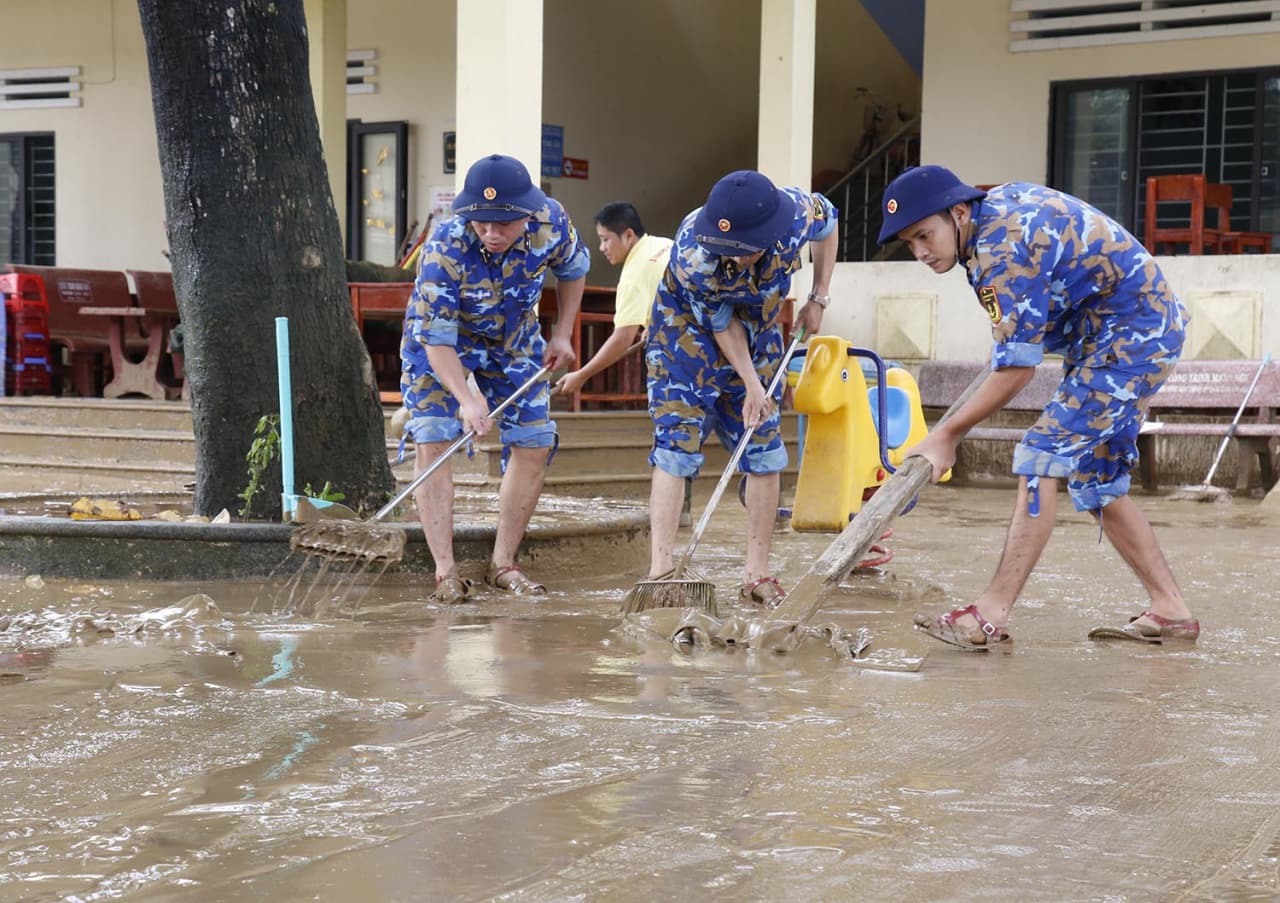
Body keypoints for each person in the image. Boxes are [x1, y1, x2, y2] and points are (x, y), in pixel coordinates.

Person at [879, 165, 1198, 650]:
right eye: (910, 243)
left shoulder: (1000, 247)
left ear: (958, 212)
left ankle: (989, 613)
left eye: (925, 235)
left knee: (1040, 455)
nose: (921, 252)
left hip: (1131, 338)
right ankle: (1171, 610)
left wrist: (946, 435)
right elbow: (1016, 334)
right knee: (1097, 482)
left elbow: (1017, 370)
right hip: (1114, 336)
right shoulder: (991, 220)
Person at [400, 153, 589, 603]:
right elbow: (437, 341)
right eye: (481, 222)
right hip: (441, 342)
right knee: (434, 438)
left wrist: (562, 334)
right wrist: (466, 398)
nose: (490, 232)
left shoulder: (551, 221)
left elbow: (573, 269)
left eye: (502, 224)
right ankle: (445, 572)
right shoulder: (444, 245)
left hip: (514, 337)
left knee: (535, 439)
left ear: (526, 213)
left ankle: (503, 562)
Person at [643, 169, 837, 607]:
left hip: (762, 330)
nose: (734, 258)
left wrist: (819, 296)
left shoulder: (795, 214)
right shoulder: (694, 252)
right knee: (677, 448)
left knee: (765, 451)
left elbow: (831, 223)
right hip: (684, 340)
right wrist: (753, 385)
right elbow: (720, 322)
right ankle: (661, 573)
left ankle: (757, 573)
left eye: (744, 252)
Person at [552, 202, 671, 399]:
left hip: (685, 350)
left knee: (673, 423)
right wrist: (656, 324)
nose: (602, 248)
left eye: (605, 239)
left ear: (629, 236)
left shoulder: (634, 274)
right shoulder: (663, 244)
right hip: (714, 339)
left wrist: (582, 375)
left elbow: (622, 339)